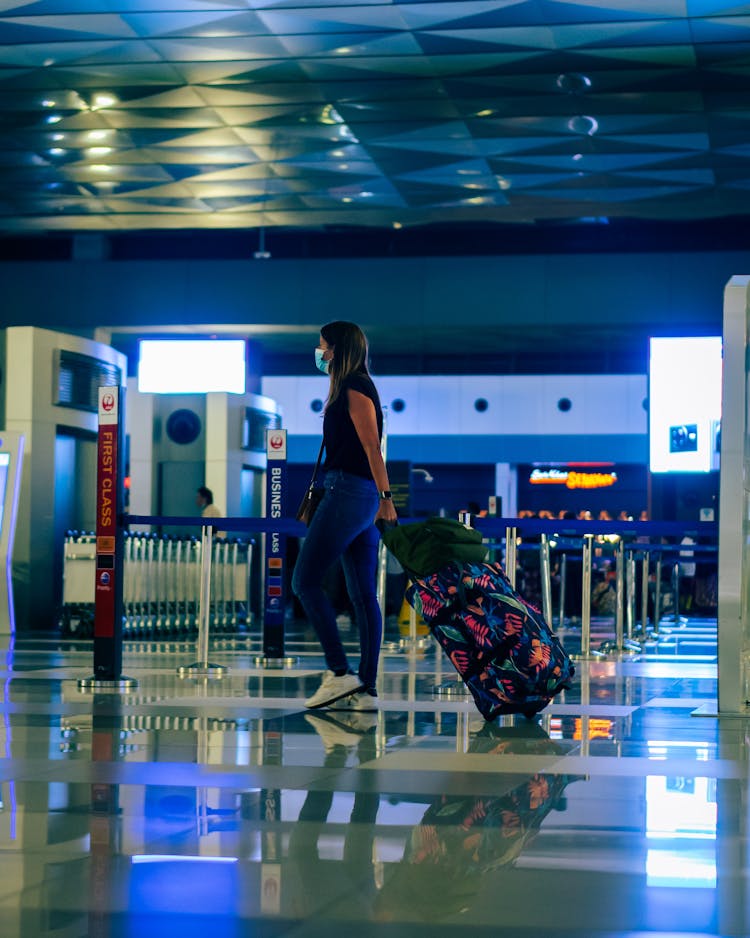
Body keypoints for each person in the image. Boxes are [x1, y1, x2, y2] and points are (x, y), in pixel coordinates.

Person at [292, 321, 398, 711]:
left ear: (336, 349)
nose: (318, 353)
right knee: (361, 593)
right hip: (360, 495)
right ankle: (365, 691)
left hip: (349, 492)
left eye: (322, 345)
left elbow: (373, 448)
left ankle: (340, 674)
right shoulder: (351, 386)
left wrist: (387, 497)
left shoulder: (354, 387)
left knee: (304, 581)